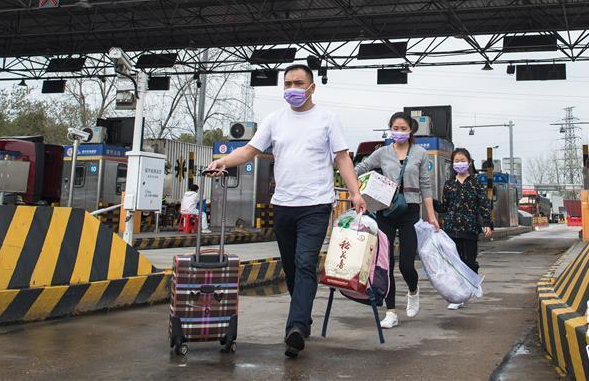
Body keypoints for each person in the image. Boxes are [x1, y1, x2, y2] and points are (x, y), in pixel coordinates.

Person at [207, 64, 366, 358]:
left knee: (305, 263)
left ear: (312, 87)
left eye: (298, 83)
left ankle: (295, 327)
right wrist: (224, 161)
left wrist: (355, 192)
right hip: (283, 205)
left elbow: (342, 158)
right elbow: (250, 150)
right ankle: (302, 317)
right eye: (287, 84)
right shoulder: (274, 120)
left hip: (316, 205)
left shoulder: (327, 120)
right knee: (292, 268)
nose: (292, 89)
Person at [355, 112, 437, 329]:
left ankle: (413, 289)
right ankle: (390, 311)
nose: (399, 132)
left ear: (410, 130)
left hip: (410, 210)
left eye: (403, 129)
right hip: (386, 210)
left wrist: (431, 216)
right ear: (390, 129)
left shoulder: (420, 153)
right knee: (386, 263)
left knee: (407, 264)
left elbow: (426, 186)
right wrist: (354, 185)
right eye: (395, 128)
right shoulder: (382, 153)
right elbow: (360, 168)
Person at [439, 147, 493, 310]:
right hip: (451, 228)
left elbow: (484, 205)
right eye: (456, 161)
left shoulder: (476, 183)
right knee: (455, 263)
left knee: (469, 262)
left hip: (470, 228)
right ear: (452, 164)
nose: (459, 163)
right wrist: (428, 201)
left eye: (463, 160)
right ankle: (458, 297)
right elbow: (444, 207)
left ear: (469, 163)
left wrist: (487, 223)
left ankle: (473, 281)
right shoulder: (449, 184)